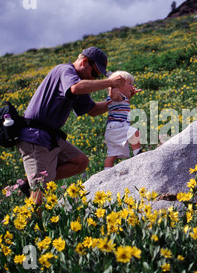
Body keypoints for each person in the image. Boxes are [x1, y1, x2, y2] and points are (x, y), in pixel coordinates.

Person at [17, 47, 126, 205]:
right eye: (94, 74)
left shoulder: (78, 84)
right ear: (84, 62)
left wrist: (117, 101)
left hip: (50, 136)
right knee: (39, 193)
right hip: (36, 136)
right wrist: (109, 82)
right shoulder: (65, 70)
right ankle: (31, 226)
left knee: (80, 162)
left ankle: (31, 182)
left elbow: (93, 110)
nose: (94, 79)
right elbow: (75, 88)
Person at [103, 71, 142, 170]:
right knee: (134, 133)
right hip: (117, 126)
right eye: (129, 84)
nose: (132, 86)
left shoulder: (122, 98)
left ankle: (106, 172)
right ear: (119, 85)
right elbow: (113, 94)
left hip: (113, 129)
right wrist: (113, 85)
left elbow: (124, 99)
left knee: (112, 154)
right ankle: (139, 156)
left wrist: (131, 93)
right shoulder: (115, 96)